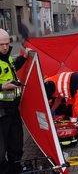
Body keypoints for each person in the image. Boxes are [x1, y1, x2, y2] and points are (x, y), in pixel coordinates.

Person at [0, 28, 32, 174]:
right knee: (1, 153)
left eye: (7, 44)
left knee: (16, 146)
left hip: (13, 111)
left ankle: (16, 169)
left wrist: (24, 57)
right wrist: (2, 87)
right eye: (1, 45)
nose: (5, 47)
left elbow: (13, 67)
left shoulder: (6, 58)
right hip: (1, 114)